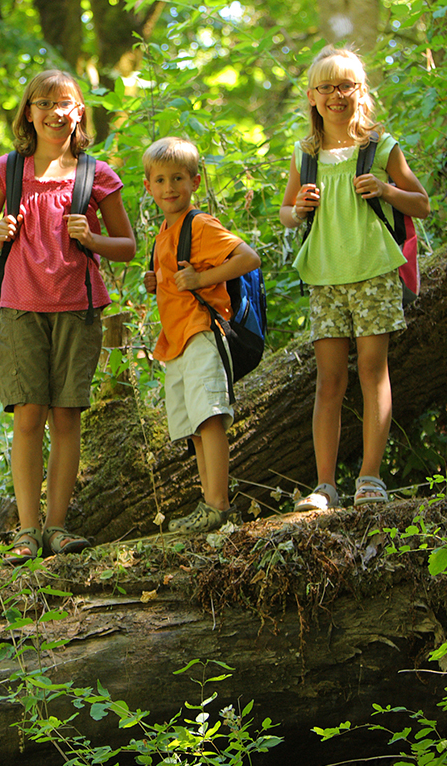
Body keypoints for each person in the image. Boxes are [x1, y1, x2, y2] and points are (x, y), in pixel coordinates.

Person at [0, 70, 136, 563]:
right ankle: (26, 531)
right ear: (28, 113)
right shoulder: (7, 171)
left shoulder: (96, 174)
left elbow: (126, 247)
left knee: (66, 417)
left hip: (78, 308)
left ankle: (58, 527)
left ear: (79, 112)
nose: (53, 112)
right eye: (42, 103)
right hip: (19, 306)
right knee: (27, 415)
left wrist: (93, 238)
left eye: (64, 103)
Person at [278, 46, 430, 511]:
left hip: (373, 272)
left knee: (371, 371)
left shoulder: (379, 147)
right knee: (328, 381)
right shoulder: (305, 155)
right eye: (326, 87)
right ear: (312, 97)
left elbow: (421, 203)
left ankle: (370, 478)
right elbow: (285, 214)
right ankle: (325, 486)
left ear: (359, 92)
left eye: (345, 86)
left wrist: (386, 189)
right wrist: (297, 208)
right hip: (325, 276)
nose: (335, 95)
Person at [141, 137, 261, 532]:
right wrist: (155, 281)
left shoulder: (200, 224)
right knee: (195, 425)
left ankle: (219, 505)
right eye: (160, 180)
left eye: (178, 178)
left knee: (210, 418)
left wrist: (202, 278)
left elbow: (248, 257)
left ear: (194, 181)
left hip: (202, 333)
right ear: (148, 187)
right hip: (176, 342)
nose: (169, 188)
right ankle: (210, 503)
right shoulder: (164, 230)